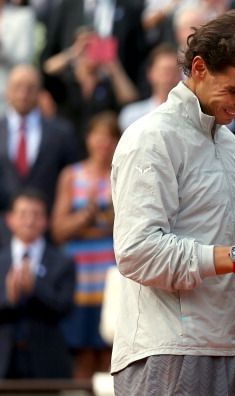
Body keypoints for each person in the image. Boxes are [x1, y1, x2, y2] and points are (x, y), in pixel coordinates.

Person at [110, 10, 235, 395]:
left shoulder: (229, 145)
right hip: (166, 352)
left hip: (231, 350)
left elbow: (225, 254)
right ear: (200, 68)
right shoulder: (150, 137)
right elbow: (137, 252)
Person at [51, 111, 121, 379]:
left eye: (109, 137)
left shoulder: (122, 175)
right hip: (80, 281)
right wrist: (87, 217)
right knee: (81, 357)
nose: (103, 144)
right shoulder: (71, 175)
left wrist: (109, 214)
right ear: (88, 139)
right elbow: (58, 230)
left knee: (110, 355)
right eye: (98, 136)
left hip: (112, 280)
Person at [0, 64, 81, 247]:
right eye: (18, 87)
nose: (24, 93)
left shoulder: (61, 132)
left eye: (30, 87)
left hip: (50, 234)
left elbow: (71, 178)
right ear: (7, 91)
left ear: (40, 92)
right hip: (3, 235)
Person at [0, 189, 75, 379]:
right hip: (5, 360)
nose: (30, 220)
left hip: (47, 362)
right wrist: (9, 299)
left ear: (46, 221)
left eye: (36, 214)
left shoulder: (63, 262)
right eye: (23, 214)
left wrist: (35, 288)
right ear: (9, 219)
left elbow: (65, 307)